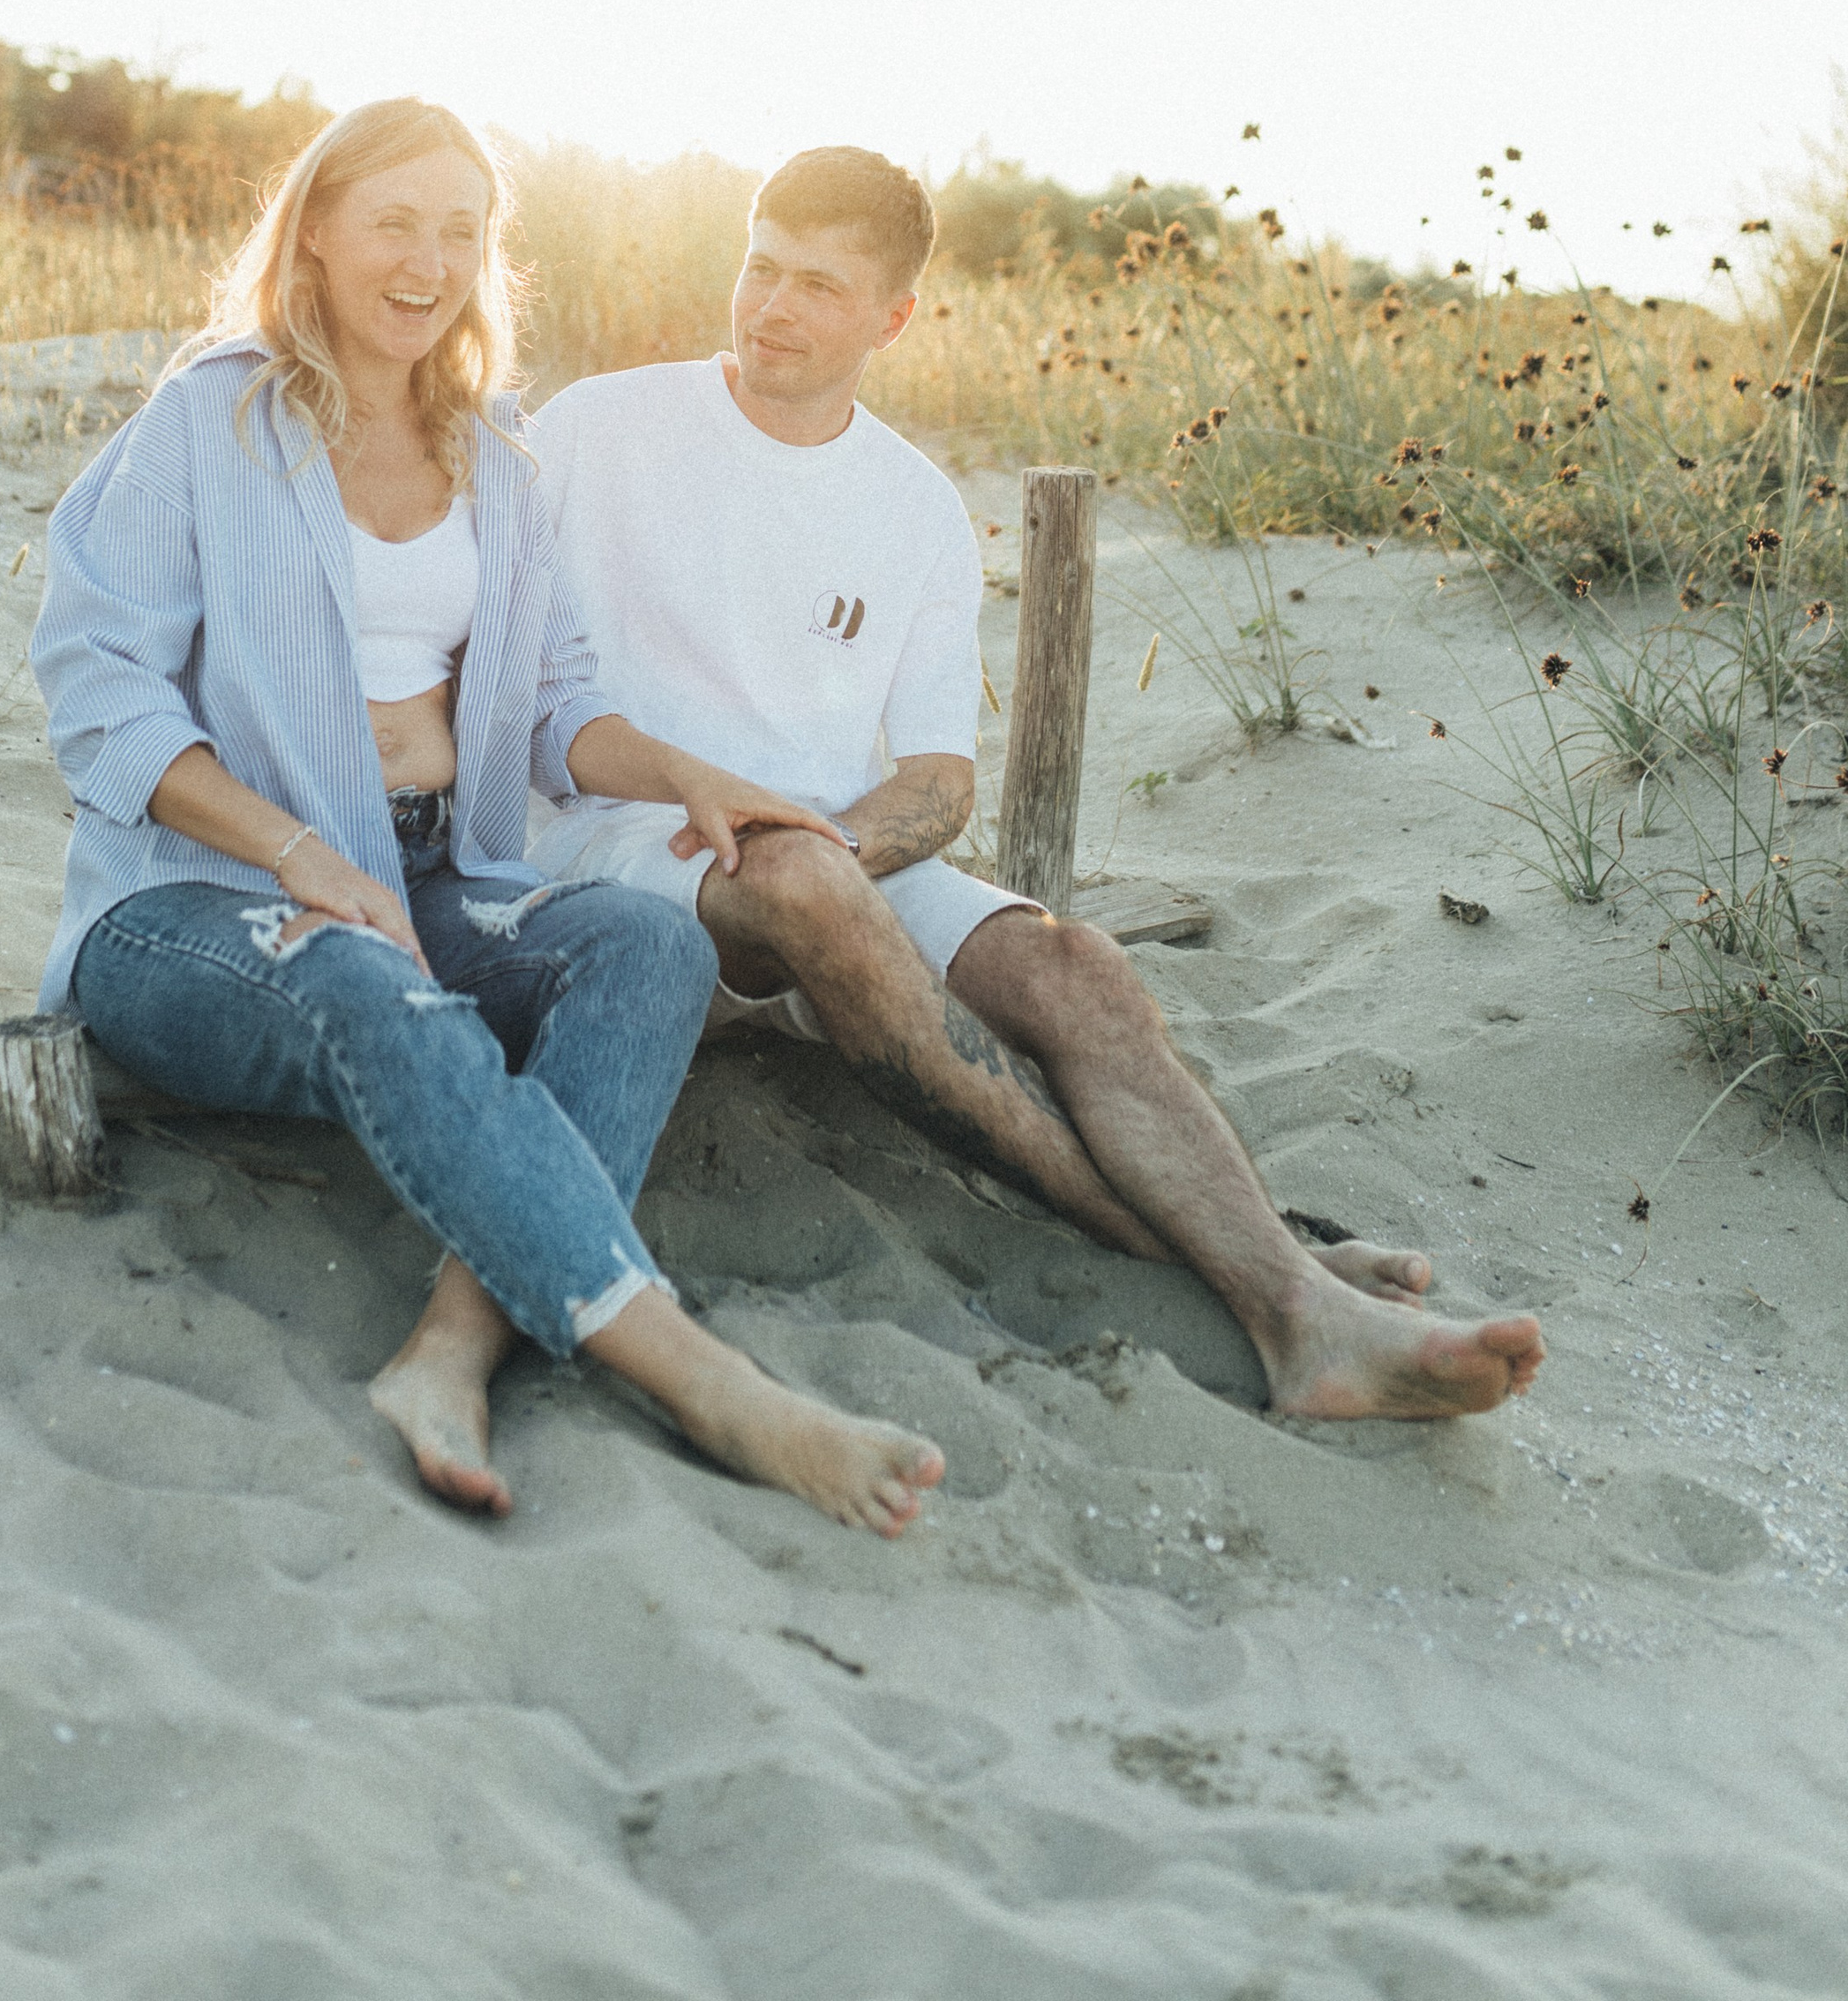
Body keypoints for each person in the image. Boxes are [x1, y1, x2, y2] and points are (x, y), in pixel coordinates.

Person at [422, 144, 1544, 1430]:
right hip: (625, 840)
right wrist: (800, 869)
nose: (774, 308)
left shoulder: (913, 506)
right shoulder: (601, 428)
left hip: (837, 861)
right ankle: (1285, 1284)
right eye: (762, 267)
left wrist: (835, 852)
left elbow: (942, 782)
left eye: (821, 288)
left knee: (1081, 975)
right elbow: (501, 676)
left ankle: (1278, 1283)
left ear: (893, 318)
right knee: (799, 882)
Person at [29, 98, 945, 1534]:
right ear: (317, 231)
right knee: (362, 972)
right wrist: (299, 850)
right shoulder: (213, 416)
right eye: (395, 221)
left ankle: (451, 1346)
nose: (428, 261)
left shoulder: (496, 458)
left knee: (652, 948)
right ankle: (707, 1381)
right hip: (191, 899)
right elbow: (96, 691)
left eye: (463, 231)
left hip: (426, 871)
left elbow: (557, 706)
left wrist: (679, 772)